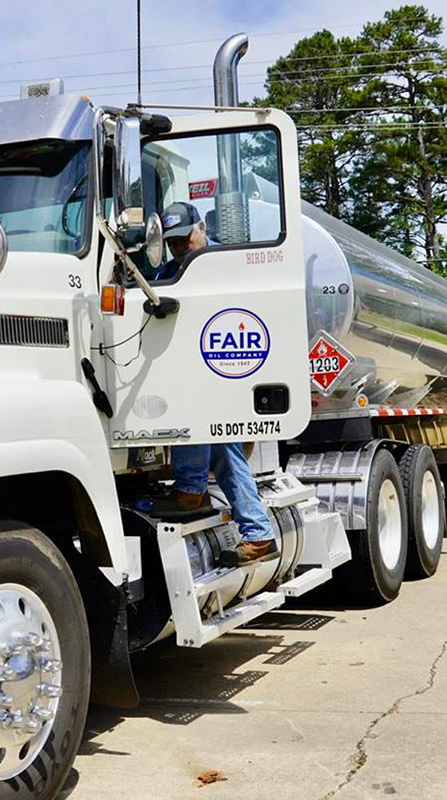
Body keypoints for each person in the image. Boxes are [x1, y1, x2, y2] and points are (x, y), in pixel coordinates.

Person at [149, 201, 277, 567]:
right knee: (223, 450)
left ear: (201, 228)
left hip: (226, 369)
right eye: (172, 243)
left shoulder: (227, 265)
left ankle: (192, 490)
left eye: (185, 239)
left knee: (201, 425)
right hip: (194, 371)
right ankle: (258, 533)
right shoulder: (171, 271)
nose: (178, 248)